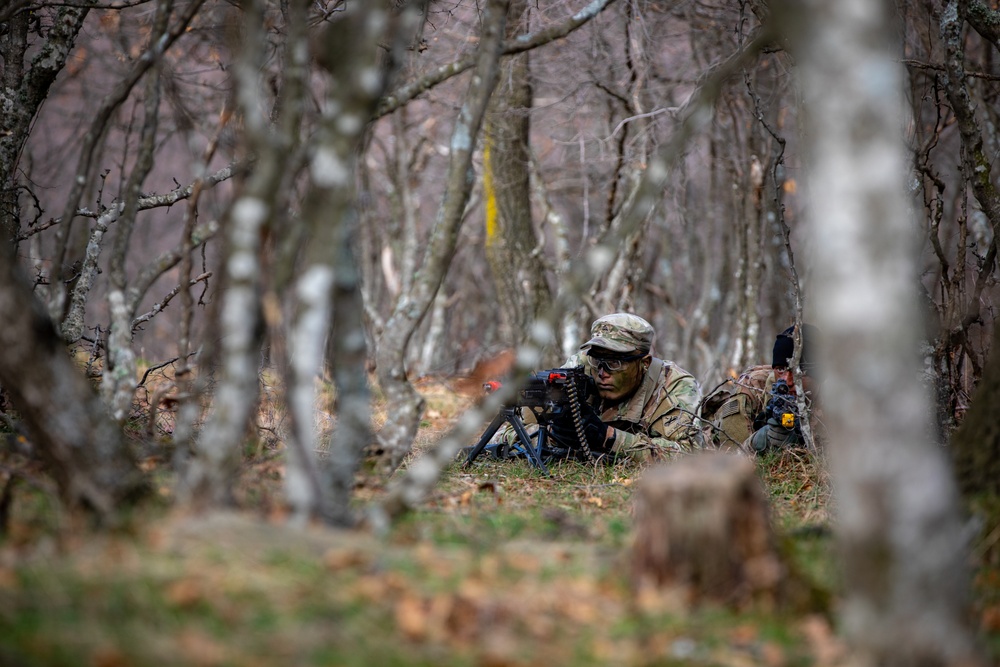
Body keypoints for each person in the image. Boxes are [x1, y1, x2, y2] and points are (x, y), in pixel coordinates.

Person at [488, 313, 704, 463]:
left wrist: (609, 437)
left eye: (615, 363)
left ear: (644, 363)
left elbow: (691, 456)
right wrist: (553, 434)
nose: (602, 372)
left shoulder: (675, 387)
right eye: (598, 360)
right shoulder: (582, 366)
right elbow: (504, 433)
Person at [699, 323, 819, 453]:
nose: (787, 381)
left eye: (798, 372)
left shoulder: (837, 398)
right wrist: (756, 443)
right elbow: (729, 456)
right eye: (780, 369)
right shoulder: (753, 387)